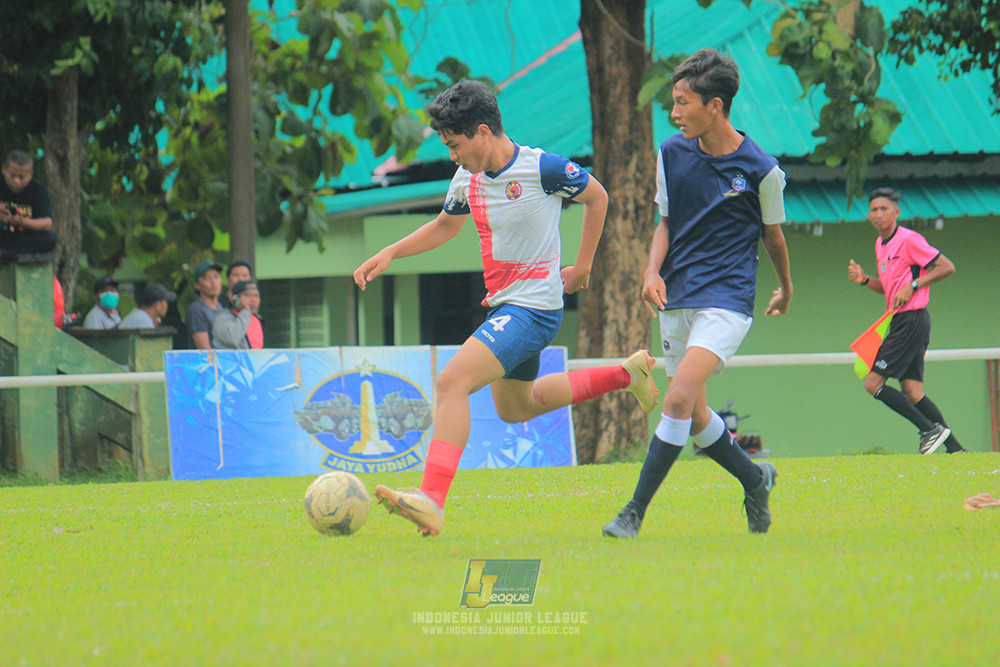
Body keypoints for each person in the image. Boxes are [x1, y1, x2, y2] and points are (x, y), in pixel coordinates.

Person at [353, 79, 657, 537]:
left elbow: (599, 197)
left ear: (481, 132)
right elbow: (445, 227)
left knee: (451, 381)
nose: (453, 155)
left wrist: (582, 267)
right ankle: (627, 375)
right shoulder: (466, 178)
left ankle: (432, 500)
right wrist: (392, 252)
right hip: (505, 310)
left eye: (455, 145)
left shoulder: (543, 169)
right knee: (518, 407)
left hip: (534, 309)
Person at [603, 48, 793, 539]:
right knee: (695, 417)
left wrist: (785, 288)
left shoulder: (762, 170)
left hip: (727, 300)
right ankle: (755, 479)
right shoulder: (672, 153)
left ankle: (633, 513)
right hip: (677, 298)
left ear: (715, 106)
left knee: (679, 397)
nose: (674, 112)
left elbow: (773, 235)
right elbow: (665, 221)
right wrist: (650, 270)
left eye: (683, 102)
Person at [846, 187, 962, 454]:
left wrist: (914, 283)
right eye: (873, 209)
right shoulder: (880, 244)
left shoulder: (910, 239)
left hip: (912, 320)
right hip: (902, 320)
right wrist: (865, 280)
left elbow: (947, 266)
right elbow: (890, 291)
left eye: (883, 209)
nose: (878, 214)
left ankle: (929, 430)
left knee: (872, 383)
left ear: (896, 212)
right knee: (912, 390)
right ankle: (955, 449)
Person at [0, 150, 57, 260]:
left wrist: (23, 222)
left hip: (23, 239)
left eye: (21, 177)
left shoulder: (39, 191)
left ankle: (4, 253)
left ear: (30, 174)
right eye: (13, 176)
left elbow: (47, 223)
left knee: (49, 238)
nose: (16, 181)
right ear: (4, 169)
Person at [186, 259, 224, 349]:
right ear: (197, 285)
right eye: (207, 278)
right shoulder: (196, 310)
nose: (213, 283)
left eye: (216, 277)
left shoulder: (221, 308)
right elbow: (204, 350)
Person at [211, 280, 258, 349]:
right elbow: (233, 338)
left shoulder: (257, 320)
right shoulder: (222, 317)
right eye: (248, 295)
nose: (253, 299)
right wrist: (245, 310)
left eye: (256, 296)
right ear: (235, 298)